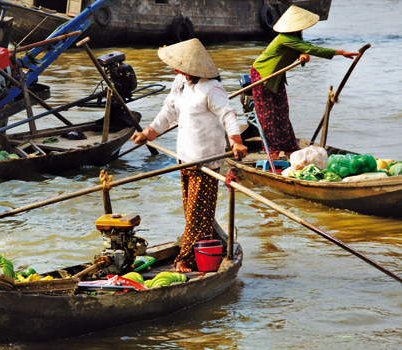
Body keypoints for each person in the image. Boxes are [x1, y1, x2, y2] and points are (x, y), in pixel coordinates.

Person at [131, 38, 248, 272]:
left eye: (181, 66)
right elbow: (169, 110)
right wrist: (149, 133)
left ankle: (186, 259)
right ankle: (201, 247)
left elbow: (228, 114)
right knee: (192, 212)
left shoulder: (211, 88)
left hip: (205, 161)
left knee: (197, 213)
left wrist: (236, 142)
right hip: (184, 158)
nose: (176, 70)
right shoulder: (180, 82)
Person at [251, 5, 359, 160]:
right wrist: (341, 52)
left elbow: (303, 48)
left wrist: (302, 55)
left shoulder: (296, 35)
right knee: (267, 114)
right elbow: (313, 49)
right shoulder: (285, 37)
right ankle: (273, 151)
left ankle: (289, 148)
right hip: (262, 76)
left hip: (278, 77)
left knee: (282, 111)